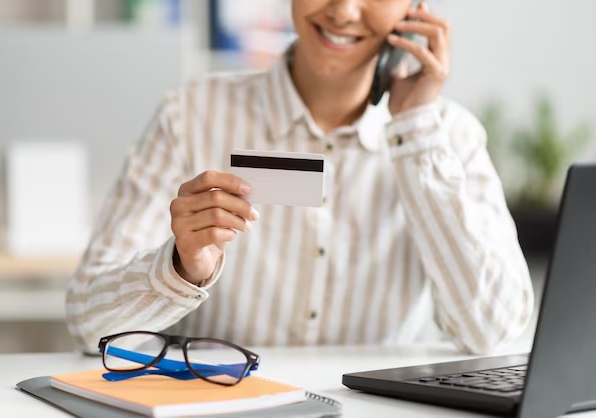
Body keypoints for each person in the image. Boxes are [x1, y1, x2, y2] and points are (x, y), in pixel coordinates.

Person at [66, 0, 534, 355]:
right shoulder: (190, 115)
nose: (345, 11)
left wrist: (415, 134)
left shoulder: (448, 136)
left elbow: (494, 336)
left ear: (416, 8)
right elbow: (90, 323)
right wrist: (181, 268)